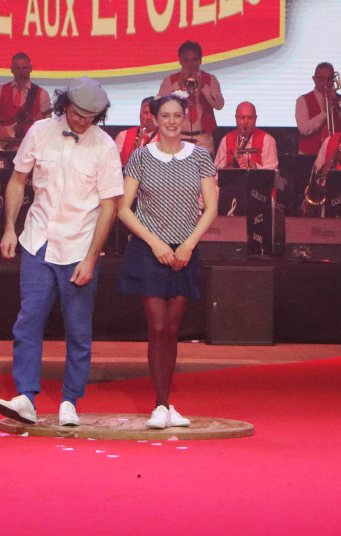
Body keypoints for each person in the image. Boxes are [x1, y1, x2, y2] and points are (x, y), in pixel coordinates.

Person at [0, 78, 123, 428]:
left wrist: (92, 257)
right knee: (28, 320)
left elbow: (110, 207)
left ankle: (70, 400)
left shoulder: (105, 147)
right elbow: (18, 180)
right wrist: (10, 227)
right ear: (64, 104)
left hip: (79, 248)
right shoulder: (39, 131)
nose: (82, 121)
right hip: (37, 241)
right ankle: (25, 397)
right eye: (78, 113)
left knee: (78, 329)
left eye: (91, 116)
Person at [117, 94, 218, 430]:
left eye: (177, 116)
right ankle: (159, 406)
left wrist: (188, 244)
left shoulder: (201, 156)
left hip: (185, 251)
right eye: (165, 116)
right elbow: (123, 209)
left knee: (173, 329)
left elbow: (211, 208)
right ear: (154, 119)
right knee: (157, 326)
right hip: (149, 250)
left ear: (185, 118)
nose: (172, 121)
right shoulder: (140, 158)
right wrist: (156, 242)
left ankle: (166, 404)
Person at [157, 40, 223, 152]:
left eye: (194, 60)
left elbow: (219, 105)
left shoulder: (210, 79)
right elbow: (158, 104)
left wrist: (203, 86)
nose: (190, 64)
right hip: (177, 137)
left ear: (200, 60)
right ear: (180, 61)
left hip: (203, 139)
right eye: (186, 60)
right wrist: (177, 85)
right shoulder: (169, 81)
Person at [0, 52, 51, 150]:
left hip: (30, 147)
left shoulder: (42, 94)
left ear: (31, 69)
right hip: (3, 147)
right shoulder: (0, 90)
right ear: (12, 70)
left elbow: (48, 124)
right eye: (18, 69)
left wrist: (41, 123)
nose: (22, 72)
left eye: (25, 68)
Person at [213, 101, 279, 170]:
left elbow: (272, 171)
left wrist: (254, 166)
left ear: (255, 118)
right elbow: (218, 168)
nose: (246, 122)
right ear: (236, 118)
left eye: (250, 117)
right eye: (242, 117)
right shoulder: (226, 139)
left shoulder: (267, 140)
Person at [296, 62, 339, 155]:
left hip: (336, 153)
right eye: (321, 78)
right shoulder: (302, 100)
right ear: (314, 79)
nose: (326, 82)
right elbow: (303, 129)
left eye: (329, 78)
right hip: (309, 154)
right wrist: (325, 113)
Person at [115, 97, 158, 166]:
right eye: (145, 113)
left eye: (153, 114)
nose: (149, 117)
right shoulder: (123, 135)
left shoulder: (165, 138)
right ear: (140, 114)